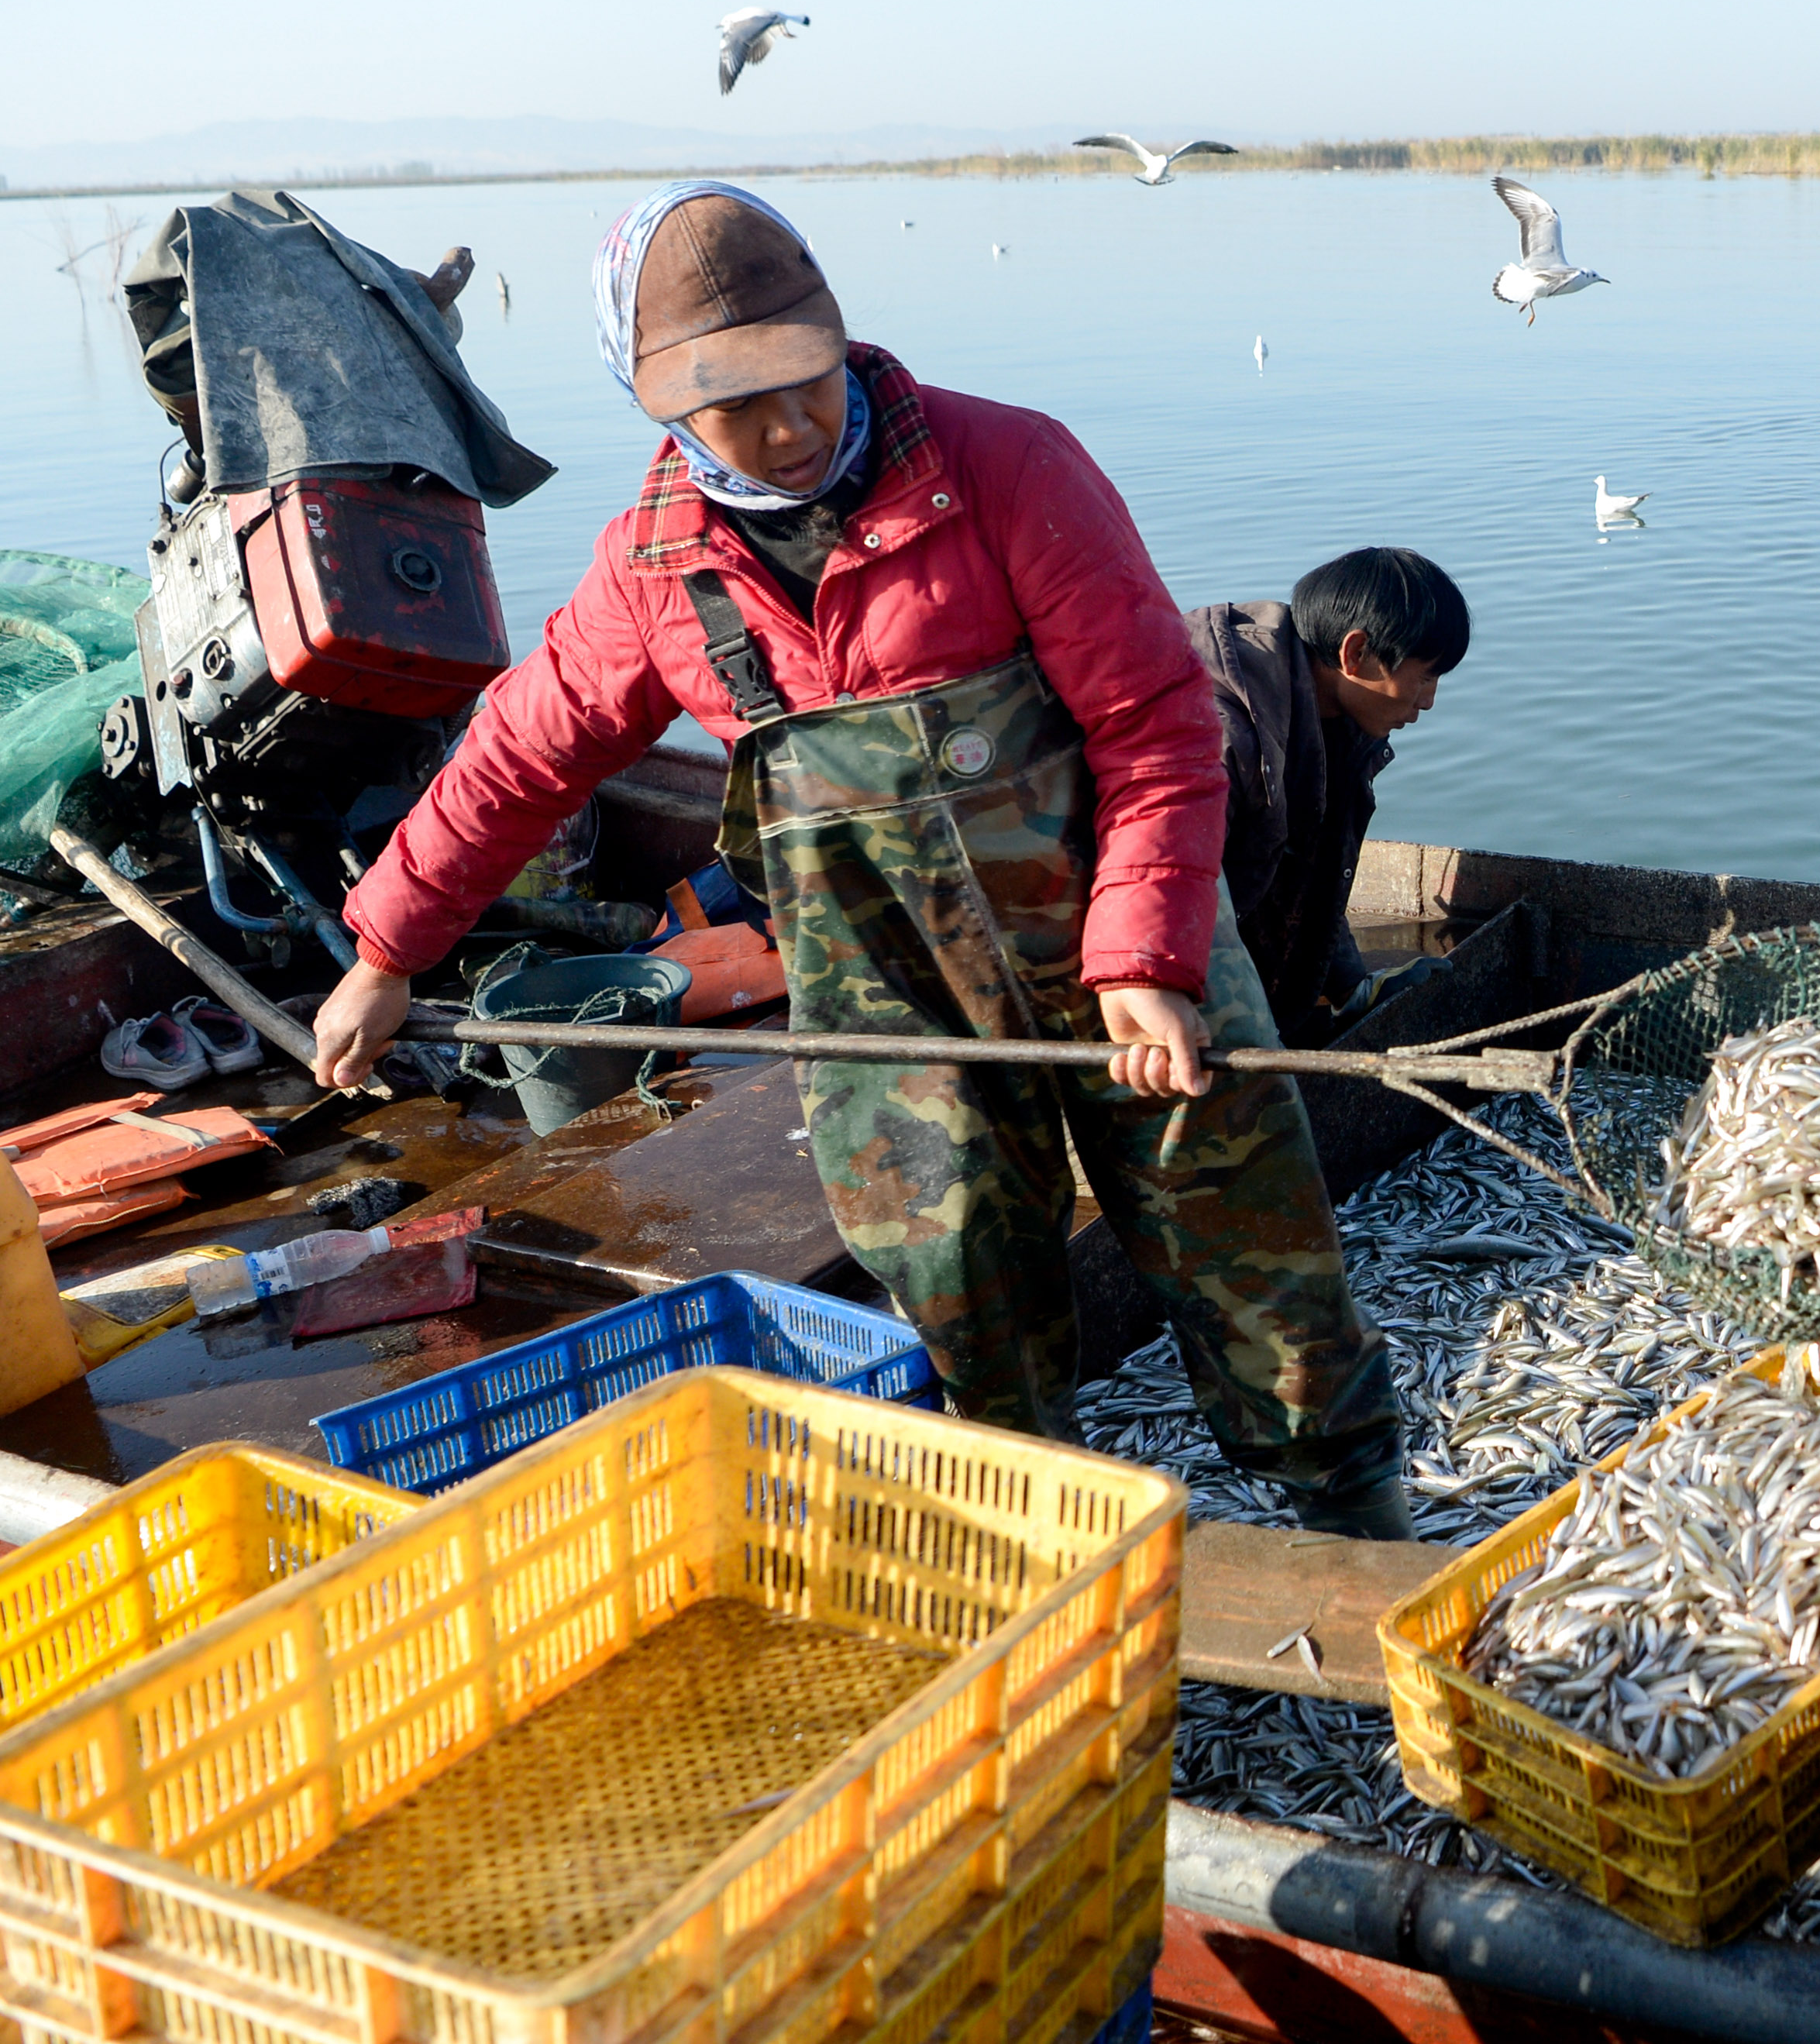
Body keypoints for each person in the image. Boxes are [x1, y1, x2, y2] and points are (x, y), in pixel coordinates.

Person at [308, 181, 1412, 1538]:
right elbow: (516, 764)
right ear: (653, 399)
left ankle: (1362, 1541)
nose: (785, 429)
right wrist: (384, 952)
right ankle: (1054, 1571)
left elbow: (1154, 722)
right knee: (963, 1306)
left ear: (840, 335)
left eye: (805, 380)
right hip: (890, 1015)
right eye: (732, 405)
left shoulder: (1004, 465)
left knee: (1261, 1268)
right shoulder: (655, 570)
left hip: (1128, 964)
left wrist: (1143, 962)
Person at [1183, 549, 1467, 1047]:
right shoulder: (1222, 738)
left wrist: (1352, 988)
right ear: (1354, 654)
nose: (1429, 700)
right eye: (1424, 676)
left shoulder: (1337, 716)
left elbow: (1310, 871)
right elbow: (1172, 896)